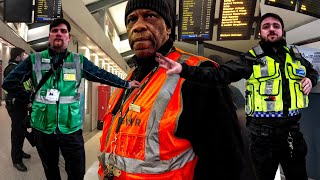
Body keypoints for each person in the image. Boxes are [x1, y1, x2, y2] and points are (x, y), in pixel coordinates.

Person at [156, 13, 319, 180]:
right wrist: (184, 70)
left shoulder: (296, 57)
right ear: (260, 33)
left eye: (276, 26)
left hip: (292, 135)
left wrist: (310, 79)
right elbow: (220, 75)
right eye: (266, 26)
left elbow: (313, 72)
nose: (271, 29)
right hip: (263, 139)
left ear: (282, 31)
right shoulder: (251, 59)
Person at [98, 0, 246, 179]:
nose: (138, 26)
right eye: (131, 19)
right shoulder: (130, 78)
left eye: (150, 16)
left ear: (168, 28)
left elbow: (226, 162)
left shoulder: (197, 74)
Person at [2, 18, 139, 180]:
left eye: (63, 31)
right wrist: (31, 96)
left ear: (68, 37)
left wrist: (126, 84)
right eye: (55, 31)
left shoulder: (78, 61)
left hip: (71, 129)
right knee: (51, 170)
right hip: (43, 128)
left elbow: (101, 75)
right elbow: (9, 82)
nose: (59, 33)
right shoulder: (35, 60)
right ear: (50, 36)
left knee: (77, 172)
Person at [3, 47, 31, 172]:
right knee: (17, 131)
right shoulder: (12, 69)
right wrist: (28, 98)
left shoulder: (13, 68)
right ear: (18, 57)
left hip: (19, 103)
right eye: (23, 55)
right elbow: (17, 87)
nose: (25, 56)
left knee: (21, 129)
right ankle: (16, 159)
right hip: (16, 104)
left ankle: (19, 152)